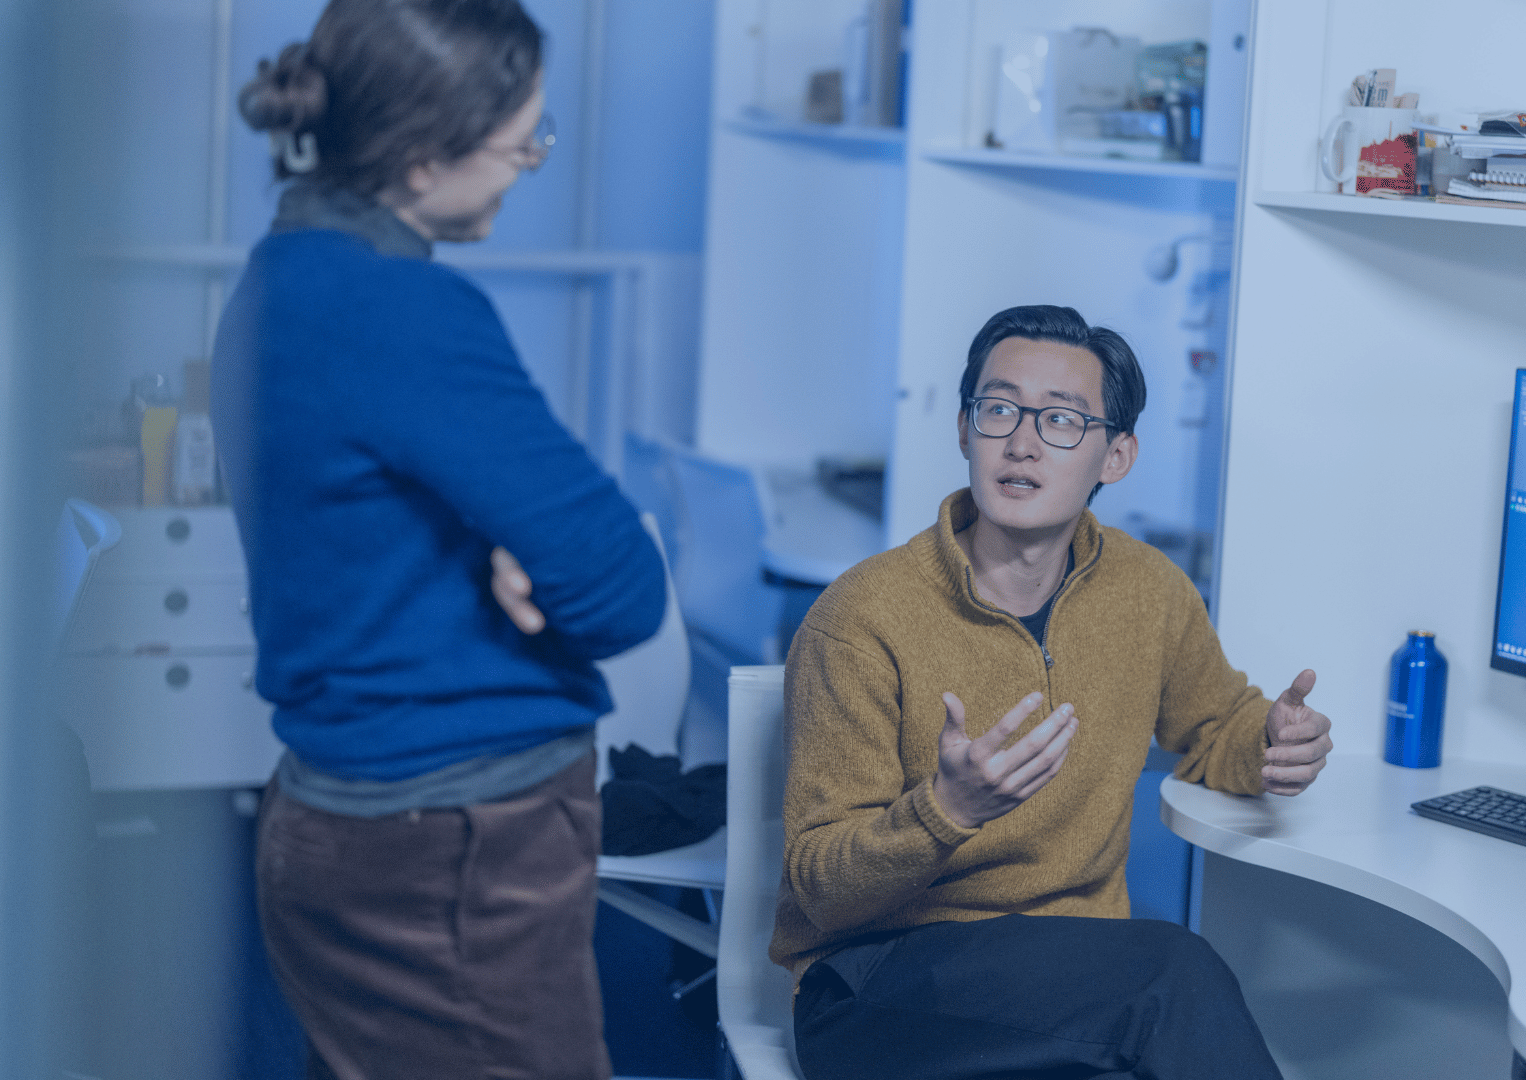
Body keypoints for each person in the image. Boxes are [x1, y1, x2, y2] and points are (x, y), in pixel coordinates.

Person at [209, 3, 665, 1078]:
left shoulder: (279, 279)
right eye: (523, 144)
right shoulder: (404, 312)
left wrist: (500, 548)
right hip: (459, 849)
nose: (529, 168)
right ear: (423, 157)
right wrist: (523, 559)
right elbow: (623, 590)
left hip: (340, 819)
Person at [775, 305, 1334, 1079]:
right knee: (1173, 978)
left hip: (1074, 985)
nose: (1023, 441)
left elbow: (1216, 724)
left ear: (1117, 455)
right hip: (879, 981)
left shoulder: (1147, 592)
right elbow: (819, 889)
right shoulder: (861, 620)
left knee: (1153, 1027)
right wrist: (947, 812)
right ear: (966, 431)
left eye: (1063, 421)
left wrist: (1270, 742)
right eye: (999, 409)